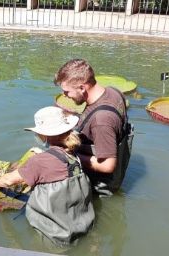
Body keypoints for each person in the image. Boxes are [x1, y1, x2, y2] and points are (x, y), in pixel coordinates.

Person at [0, 106, 94, 246]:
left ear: (45, 135)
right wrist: (41, 153)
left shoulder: (40, 161)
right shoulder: (72, 151)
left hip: (54, 236)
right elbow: (58, 163)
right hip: (82, 223)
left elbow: (9, 180)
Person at [54, 59, 133, 196]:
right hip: (113, 167)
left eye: (67, 92)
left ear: (82, 88)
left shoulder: (101, 120)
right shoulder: (113, 92)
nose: (65, 96)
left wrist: (70, 156)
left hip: (98, 185)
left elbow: (108, 166)